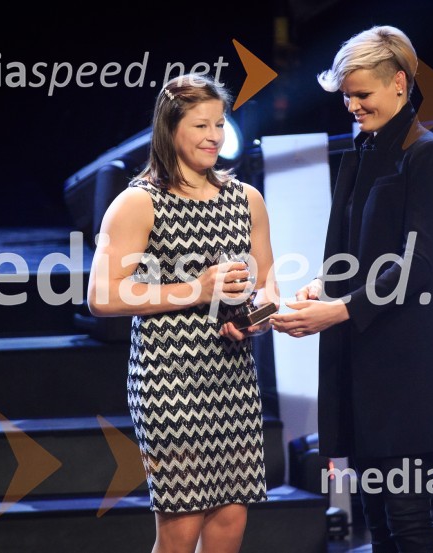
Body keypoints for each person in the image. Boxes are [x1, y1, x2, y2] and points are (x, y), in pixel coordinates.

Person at [269, 26, 433, 552]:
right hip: (365, 362)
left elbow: (418, 264)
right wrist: (322, 286)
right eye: (346, 97)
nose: (353, 106)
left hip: (410, 367)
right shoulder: (363, 149)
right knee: (377, 520)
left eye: (362, 94)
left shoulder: (426, 155)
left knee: (407, 518)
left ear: (399, 83)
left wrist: (337, 311)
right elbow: (355, 252)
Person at [87, 74, 278, 553]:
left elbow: (268, 282)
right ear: (170, 129)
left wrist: (256, 318)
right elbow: (102, 296)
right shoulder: (138, 202)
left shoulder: (246, 199)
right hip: (169, 383)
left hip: (233, 379)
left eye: (219, 124)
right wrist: (196, 290)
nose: (214, 136)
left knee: (231, 516)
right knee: (181, 526)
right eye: (200, 125)